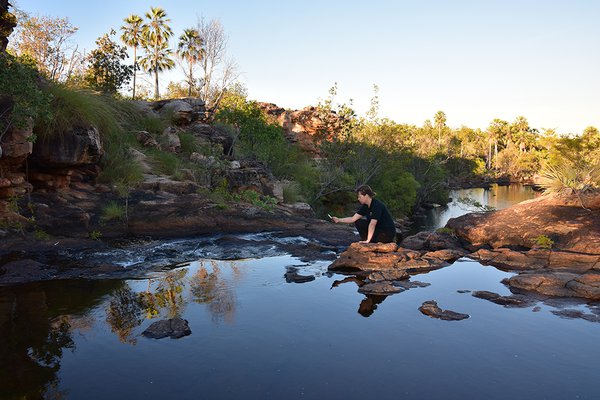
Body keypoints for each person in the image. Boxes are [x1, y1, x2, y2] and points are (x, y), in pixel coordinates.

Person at [331, 185, 396, 243]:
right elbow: (353, 219)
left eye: (360, 197)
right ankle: (366, 240)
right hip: (378, 230)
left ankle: (368, 241)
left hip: (386, 233)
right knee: (358, 222)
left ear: (366, 196)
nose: (358, 199)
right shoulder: (366, 206)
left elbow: (372, 224)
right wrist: (338, 220)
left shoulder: (377, 205)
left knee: (368, 225)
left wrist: (368, 240)